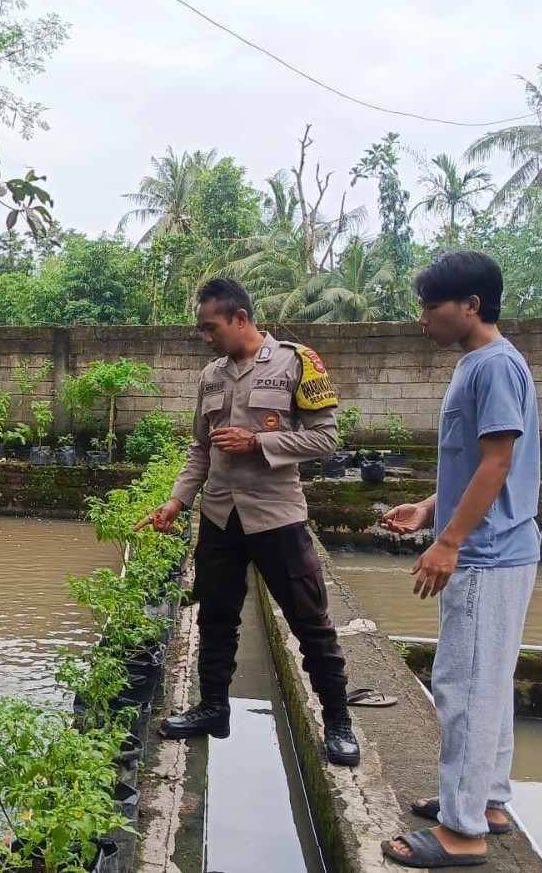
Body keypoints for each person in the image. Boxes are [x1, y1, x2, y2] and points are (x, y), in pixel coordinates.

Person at [135, 277, 359, 767]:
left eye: (210, 327)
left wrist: (261, 443)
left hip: (277, 517)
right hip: (219, 516)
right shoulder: (211, 375)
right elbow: (200, 448)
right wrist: (176, 502)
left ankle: (339, 723)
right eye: (200, 329)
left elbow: (326, 440)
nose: (204, 337)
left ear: (240, 318)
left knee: (310, 623)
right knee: (215, 618)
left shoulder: (297, 362)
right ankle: (213, 708)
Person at [378, 251, 541, 869]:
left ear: (470, 306)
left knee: (465, 687)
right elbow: (477, 465)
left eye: (430, 306)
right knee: (487, 683)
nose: (422, 318)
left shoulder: (493, 366)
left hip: (487, 554)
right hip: (498, 547)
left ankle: (462, 832)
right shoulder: (485, 363)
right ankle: (488, 803)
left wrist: (448, 542)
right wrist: (428, 508)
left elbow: (498, 462)